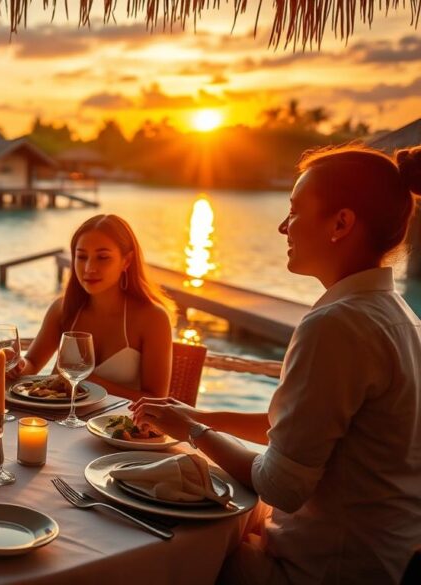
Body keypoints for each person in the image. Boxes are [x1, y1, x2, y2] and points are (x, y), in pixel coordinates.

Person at [133, 144, 421, 584]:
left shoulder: (337, 326)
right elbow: (300, 428)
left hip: (323, 568)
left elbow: (282, 485)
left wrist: (194, 433)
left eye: (295, 210)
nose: (283, 226)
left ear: (341, 223)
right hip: (387, 557)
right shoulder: (400, 317)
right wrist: (196, 415)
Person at [8, 214, 174, 401]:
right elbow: (33, 364)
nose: (89, 268)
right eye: (81, 257)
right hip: (59, 422)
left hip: (116, 428)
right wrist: (16, 365)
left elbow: (157, 401)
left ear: (126, 261)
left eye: (102, 257)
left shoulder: (152, 318)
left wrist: (85, 380)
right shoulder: (63, 309)